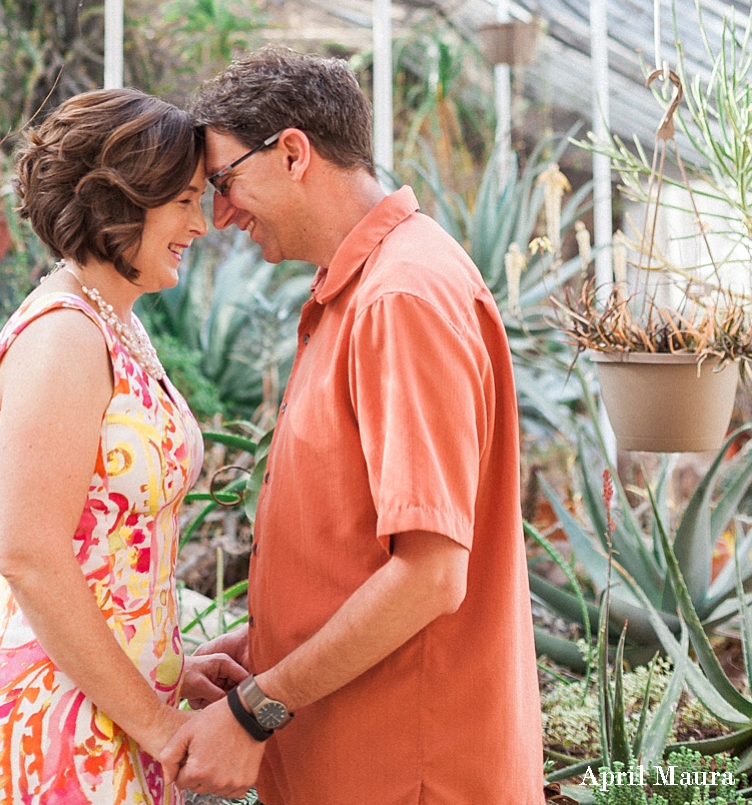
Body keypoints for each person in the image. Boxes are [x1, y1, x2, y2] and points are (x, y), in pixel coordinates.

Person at [161, 48, 544, 805]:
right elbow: (362, 544)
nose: (221, 216)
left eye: (224, 182)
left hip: (407, 770)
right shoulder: (362, 288)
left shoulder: (399, 297)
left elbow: (429, 574)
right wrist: (265, 645)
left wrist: (257, 706)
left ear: (293, 151)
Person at [0, 89, 246, 805]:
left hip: (109, 714)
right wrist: (161, 725)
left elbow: (106, 551)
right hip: (54, 727)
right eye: (183, 201)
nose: (199, 225)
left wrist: (169, 665)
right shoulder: (62, 337)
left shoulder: (112, 322)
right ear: (122, 201)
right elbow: (31, 555)